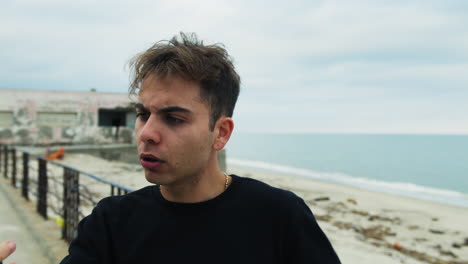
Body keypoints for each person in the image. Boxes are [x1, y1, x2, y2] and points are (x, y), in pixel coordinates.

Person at [57, 32, 341, 263]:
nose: (147, 133)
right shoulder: (111, 221)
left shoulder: (279, 216)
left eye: (174, 119)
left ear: (220, 133)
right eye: (143, 114)